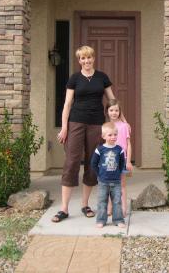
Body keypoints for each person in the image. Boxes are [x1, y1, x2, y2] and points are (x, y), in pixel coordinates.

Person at [52, 45, 116, 223]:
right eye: (82, 58)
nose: (86, 61)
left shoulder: (102, 77)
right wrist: (64, 127)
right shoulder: (74, 78)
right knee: (72, 161)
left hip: (96, 124)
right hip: (76, 122)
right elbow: (67, 104)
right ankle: (64, 208)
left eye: (89, 58)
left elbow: (112, 100)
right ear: (79, 60)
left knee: (92, 162)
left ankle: (85, 204)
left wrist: (121, 119)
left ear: (93, 58)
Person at [91, 122, 126, 228]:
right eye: (110, 135)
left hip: (116, 181)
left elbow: (121, 163)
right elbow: (93, 163)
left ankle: (118, 219)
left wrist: (118, 173)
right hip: (103, 181)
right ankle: (101, 220)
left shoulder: (119, 149)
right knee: (102, 201)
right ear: (103, 136)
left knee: (117, 201)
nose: (113, 137)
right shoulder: (100, 149)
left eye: (115, 134)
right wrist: (99, 174)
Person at [105, 99, 133, 216]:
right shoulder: (106, 127)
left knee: (121, 185)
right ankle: (110, 208)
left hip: (122, 159)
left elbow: (128, 144)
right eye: (111, 110)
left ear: (120, 111)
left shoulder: (124, 126)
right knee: (110, 185)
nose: (114, 112)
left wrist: (128, 161)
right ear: (107, 112)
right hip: (110, 159)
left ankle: (123, 208)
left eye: (116, 110)